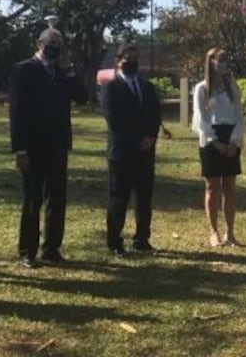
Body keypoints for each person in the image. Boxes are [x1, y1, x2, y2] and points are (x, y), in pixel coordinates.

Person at [9, 27, 89, 268]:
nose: (56, 47)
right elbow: (17, 112)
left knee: (57, 198)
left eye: (60, 43)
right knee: (32, 199)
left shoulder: (63, 72)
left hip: (57, 145)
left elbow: (83, 98)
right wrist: (19, 149)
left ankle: (52, 248)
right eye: (51, 43)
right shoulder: (24, 70)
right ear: (39, 44)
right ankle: (27, 251)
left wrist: (70, 71)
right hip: (32, 146)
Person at [101, 43, 162, 256]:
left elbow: (155, 114)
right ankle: (114, 241)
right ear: (118, 61)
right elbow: (114, 119)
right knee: (119, 198)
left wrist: (150, 137)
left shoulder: (147, 87)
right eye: (128, 58)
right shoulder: (111, 87)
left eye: (135, 58)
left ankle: (142, 239)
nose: (132, 62)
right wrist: (137, 140)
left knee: (144, 197)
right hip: (122, 152)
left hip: (146, 151)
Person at [191, 48, 245, 247]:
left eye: (227, 59)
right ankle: (213, 231)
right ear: (211, 62)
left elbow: (239, 115)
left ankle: (230, 232)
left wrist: (234, 141)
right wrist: (216, 142)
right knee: (212, 187)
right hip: (211, 139)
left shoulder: (232, 87)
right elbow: (200, 119)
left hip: (231, 137)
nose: (225, 63)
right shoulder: (202, 88)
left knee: (229, 187)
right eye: (221, 60)